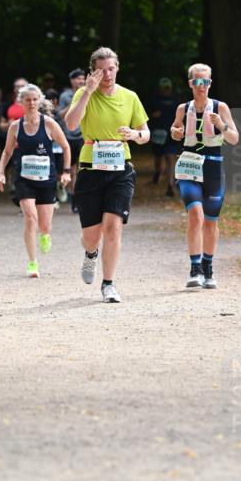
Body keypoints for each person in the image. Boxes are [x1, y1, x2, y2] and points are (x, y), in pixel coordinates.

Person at [65, 47, 150, 303]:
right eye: (102, 70)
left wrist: (135, 135)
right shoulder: (84, 93)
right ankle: (91, 254)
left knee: (113, 227)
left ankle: (109, 283)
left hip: (120, 169)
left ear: (117, 68)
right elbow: (70, 124)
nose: (108, 74)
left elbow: (145, 133)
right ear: (93, 71)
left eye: (112, 68)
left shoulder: (130, 96)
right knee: (92, 235)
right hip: (91, 169)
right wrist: (88, 92)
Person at [170, 63, 239, 290]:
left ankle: (208, 267)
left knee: (210, 222)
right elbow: (175, 130)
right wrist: (176, 132)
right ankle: (195, 268)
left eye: (206, 82)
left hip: (213, 168)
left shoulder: (220, 107)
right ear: (191, 83)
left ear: (210, 83)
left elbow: (234, 138)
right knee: (195, 216)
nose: (202, 86)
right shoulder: (183, 108)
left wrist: (222, 124)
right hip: (189, 165)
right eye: (197, 82)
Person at [0, 84, 71, 277]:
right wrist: (0, 173)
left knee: (44, 226)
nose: (31, 103)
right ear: (21, 102)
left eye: (35, 99)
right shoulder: (15, 126)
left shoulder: (49, 124)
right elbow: (7, 152)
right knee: (30, 219)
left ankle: (45, 235)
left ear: (39, 101)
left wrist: (66, 171)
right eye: (27, 100)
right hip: (23, 180)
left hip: (46, 180)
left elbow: (66, 147)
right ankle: (32, 262)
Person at [57, 68, 86, 212]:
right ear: (71, 80)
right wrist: (75, 102)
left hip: (83, 136)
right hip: (68, 136)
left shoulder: (89, 93)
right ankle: (68, 194)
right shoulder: (65, 96)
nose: (81, 81)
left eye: (83, 78)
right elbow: (60, 114)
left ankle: (78, 201)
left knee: (81, 169)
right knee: (70, 169)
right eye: (78, 79)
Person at [149, 77, 179, 196]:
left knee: (170, 159)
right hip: (158, 134)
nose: (166, 90)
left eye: (167, 88)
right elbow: (148, 116)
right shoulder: (154, 101)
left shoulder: (176, 101)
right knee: (158, 158)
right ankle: (158, 171)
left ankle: (170, 185)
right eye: (164, 88)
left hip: (171, 134)